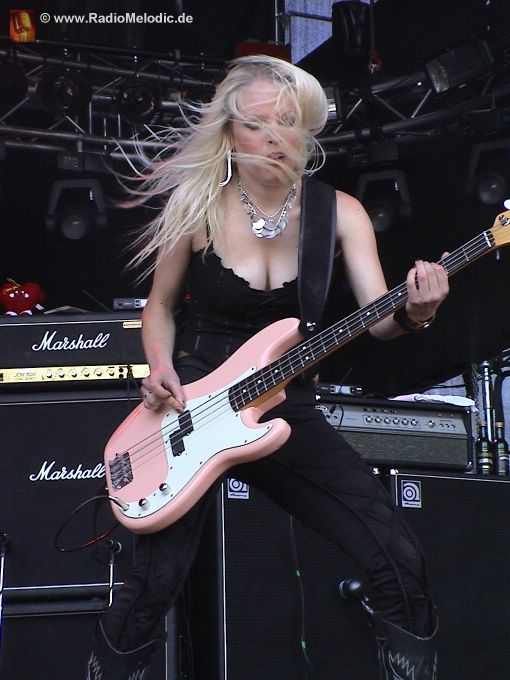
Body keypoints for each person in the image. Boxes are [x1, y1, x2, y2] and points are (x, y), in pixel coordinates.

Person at [87, 54, 448, 679]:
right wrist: (159, 365)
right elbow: (160, 307)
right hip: (192, 406)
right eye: (257, 124)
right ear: (230, 131)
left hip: (284, 402)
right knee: (151, 584)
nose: (274, 137)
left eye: (287, 123)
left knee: (396, 554)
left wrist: (419, 311)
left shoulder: (340, 213)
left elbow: (380, 320)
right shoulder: (197, 203)